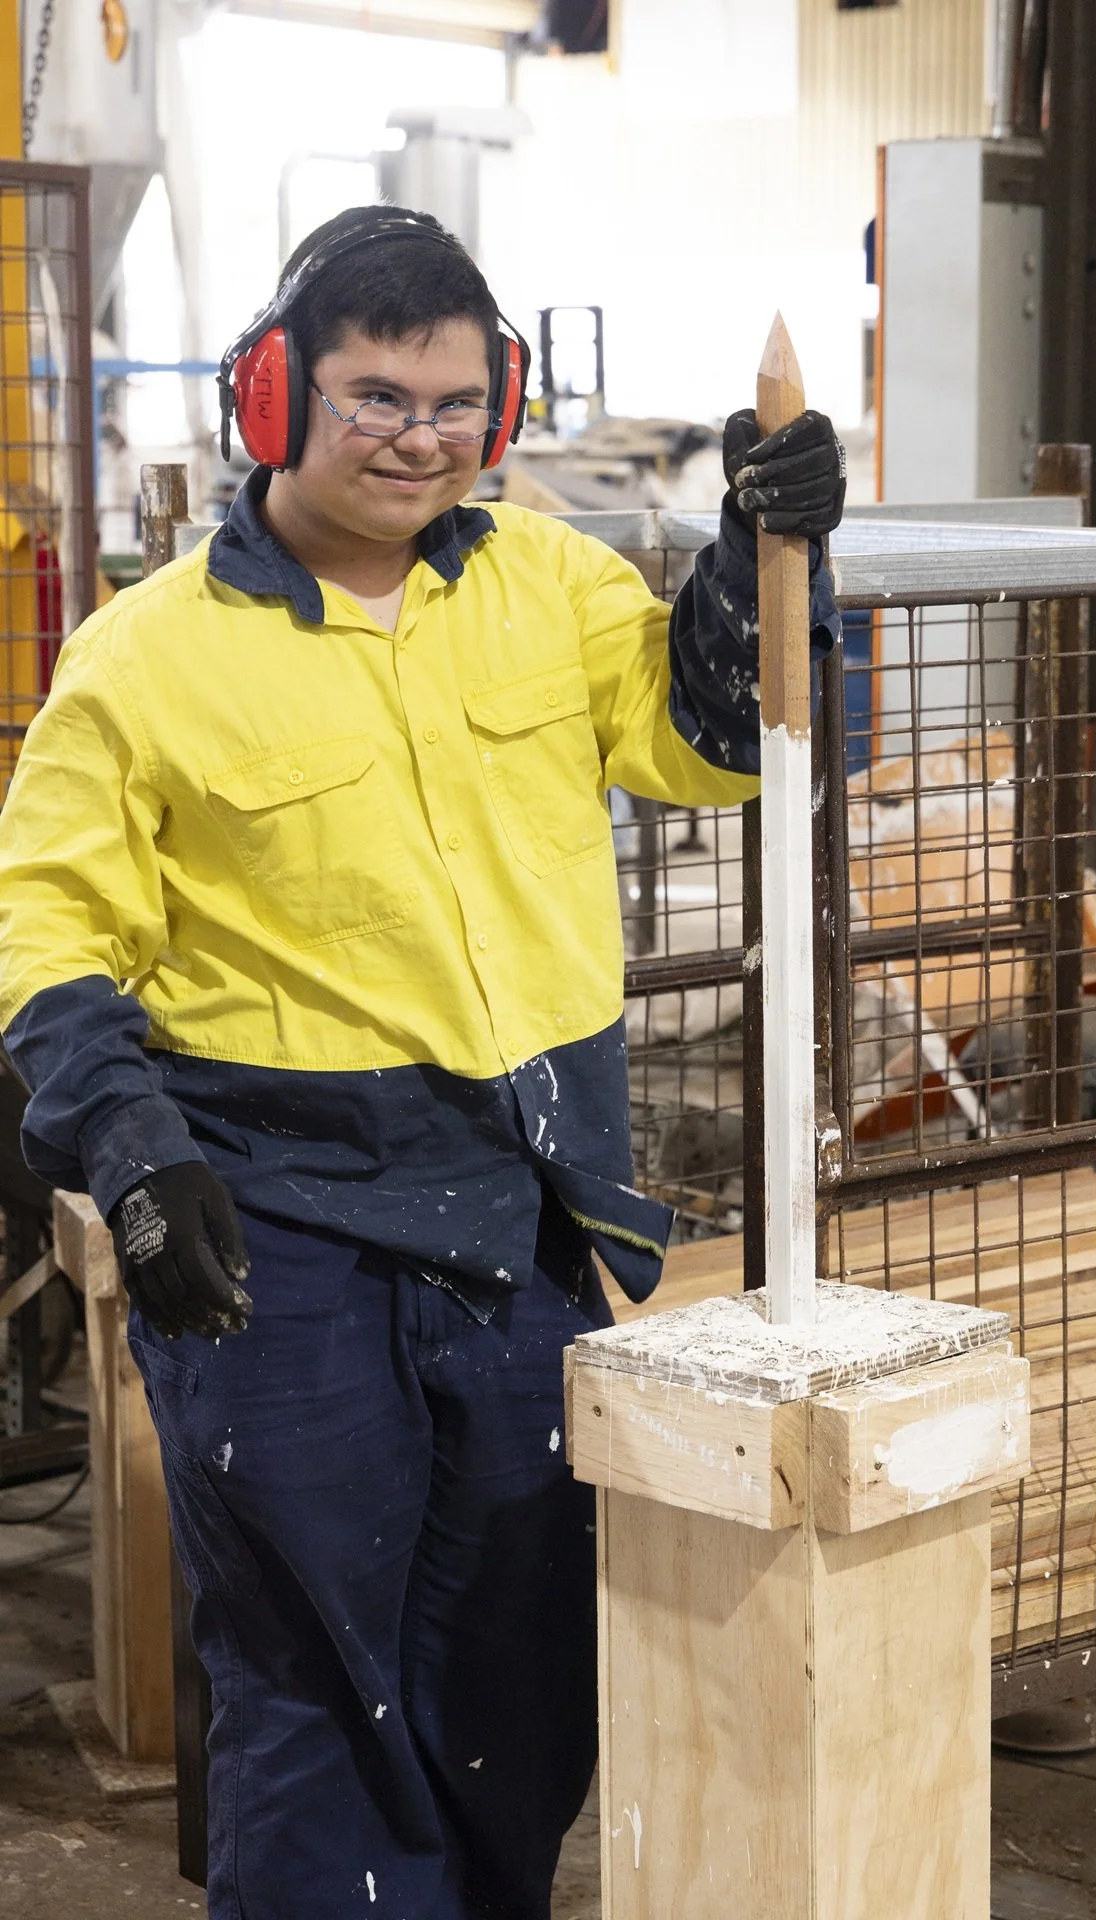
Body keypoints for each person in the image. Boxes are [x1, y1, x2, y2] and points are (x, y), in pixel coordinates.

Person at [0, 206, 845, 1919]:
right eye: (377, 398)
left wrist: (762, 569)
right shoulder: (144, 657)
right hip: (275, 1232)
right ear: (271, 399)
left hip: (524, 1222)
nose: (421, 439)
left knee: (518, 1679)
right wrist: (133, 1152)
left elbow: (707, 750)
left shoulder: (543, 581)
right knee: (323, 1684)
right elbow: (50, 938)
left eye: (457, 403)